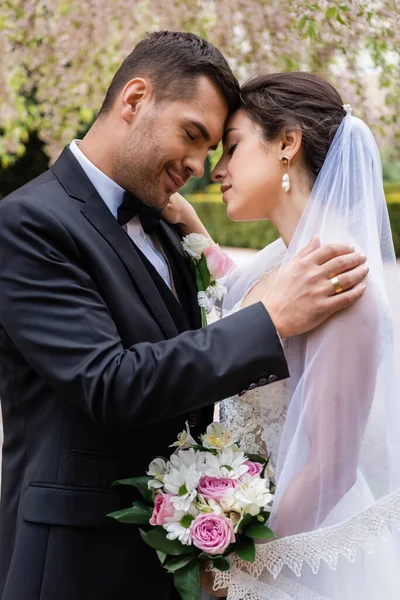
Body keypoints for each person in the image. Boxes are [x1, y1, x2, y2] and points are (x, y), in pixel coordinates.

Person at [0, 33, 368, 600]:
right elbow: (109, 382)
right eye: (194, 136)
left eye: (220, 147)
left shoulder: (167, 227)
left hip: (186, 566)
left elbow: (201, 340)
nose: (201, 167)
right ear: (135, 99)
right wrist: (270, 320)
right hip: (76, 564)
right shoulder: (27, 224)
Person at [167, 72, 400, 599]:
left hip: (298, 558)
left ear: (287, 144)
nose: (217, 171)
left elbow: (331, 468)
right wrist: (188, 224)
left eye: (231, 148)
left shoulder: (342, 278)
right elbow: (240, 300)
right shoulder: (284, 258)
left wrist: (243, 568)